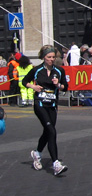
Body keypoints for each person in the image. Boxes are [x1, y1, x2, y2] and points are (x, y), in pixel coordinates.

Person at [22, 45, 69, 176]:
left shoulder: (59, 71)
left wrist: (58, 85)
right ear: (43, 57)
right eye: (49, 57)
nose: (52, 59)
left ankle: (37, 153)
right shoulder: (36, 70)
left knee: (48, 131)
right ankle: (56, 164)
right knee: (52, 131)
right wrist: (33, 86)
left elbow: (66, 87)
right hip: (40, 104)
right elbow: (24, 81)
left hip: (52, 105)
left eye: (53, 57)